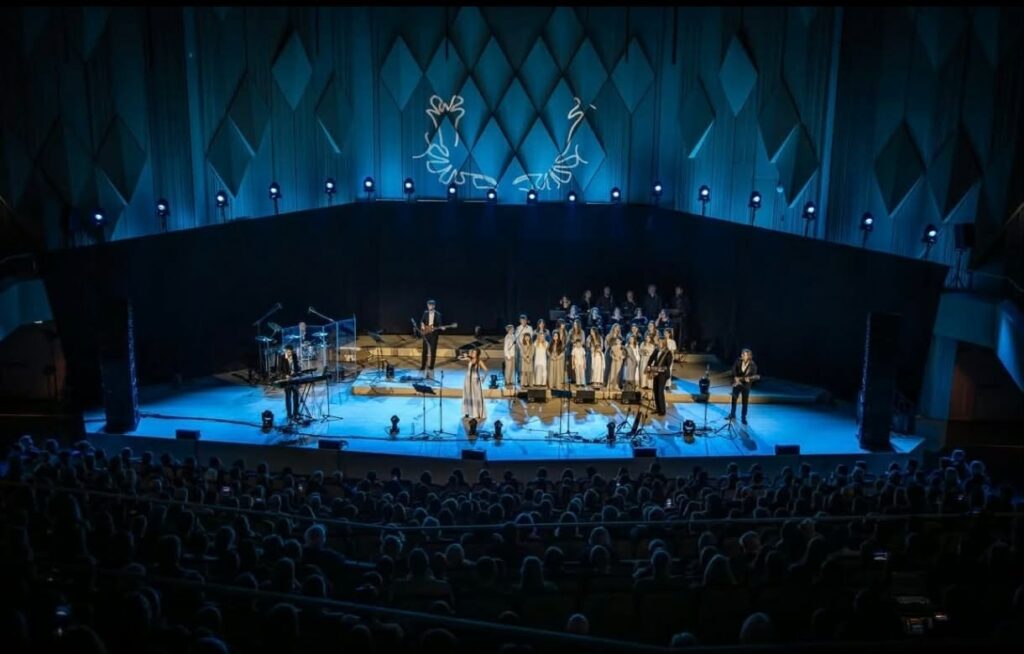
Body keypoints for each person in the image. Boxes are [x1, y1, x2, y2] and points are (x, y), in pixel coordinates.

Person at [729, 348, 759, 425]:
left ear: (748, 356)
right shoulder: (738, 361)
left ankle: (743, 417)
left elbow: (754, 376)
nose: (741, 355)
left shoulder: (752, 365)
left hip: (745, 386)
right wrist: (735, 377)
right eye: (742, 353)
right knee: (734, 399)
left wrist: (749, 380)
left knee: (744, 402)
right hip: (737, 384)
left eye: (744, 354)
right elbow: (733, 369)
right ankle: (732, 414)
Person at [645, 337, 673, 416]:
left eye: (660, 342)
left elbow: (667, 366)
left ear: (664, 343)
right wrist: (648, 365)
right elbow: (651, 358)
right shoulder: (657, 350)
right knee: (655, 390)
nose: (659, 343)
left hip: (663, 374)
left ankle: (662, 410)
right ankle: (657, 408)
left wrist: (654, 369)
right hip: (656, 373)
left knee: (660, 392)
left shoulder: (668, 353)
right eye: (659, 342)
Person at [419, 299, 446, 374]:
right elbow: (422, 321)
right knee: (424, 350)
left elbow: (440, 324)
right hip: (426, 333)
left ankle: (431, 366)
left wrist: (441, 327)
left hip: (434, 335)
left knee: (433, 350)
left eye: (430, 305)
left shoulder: (438, 314)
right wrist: (422, 325)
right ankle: (423, 365)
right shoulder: (425, 313)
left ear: (434, 306)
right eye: (428, 305)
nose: (429, 307)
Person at [462, 348, 488, 421]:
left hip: (475, 380)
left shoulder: (479, 361)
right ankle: (467, 411)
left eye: (474, 353)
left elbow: (486, 370)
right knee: (467, 395)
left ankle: (477, 413)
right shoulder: (469, 359)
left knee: (476, 396)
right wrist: (466, 355)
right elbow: (459, 358)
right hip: (467, 379)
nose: (472, 353)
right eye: (472, 352)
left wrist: (483, 378)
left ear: (477, 354)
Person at [280, 345, 300, 420]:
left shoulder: (294, 356)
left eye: (291, 352)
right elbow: (279, 370)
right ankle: (289, 414)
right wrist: (285, 375)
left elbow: (296, 366)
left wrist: (297, 372)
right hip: (287, 380)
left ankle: (296, 413)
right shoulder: (282, 357)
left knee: (296, 396)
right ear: (285, 351)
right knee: (288, 397)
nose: (289, 354)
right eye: (288, 352)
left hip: (294, 378)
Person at [513, 315, 534, 384]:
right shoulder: (518, 328)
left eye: (525, 320)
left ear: (527, 320)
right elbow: (516, 338)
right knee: (520, 363)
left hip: (528, 347)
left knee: (528, 361)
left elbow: (531, 337)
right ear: (520, 321)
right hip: (520, 347)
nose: (523, 322)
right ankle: (519, 377)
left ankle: (527, 377)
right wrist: (521, 347)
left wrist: (528, 346)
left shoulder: (530, 328)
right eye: (522, 320)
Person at [670, 286, 690, 350]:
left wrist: (684, 313)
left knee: (682, 333)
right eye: (676, 290)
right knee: (674, 332)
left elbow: (688, 308)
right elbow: (671, 308)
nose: (677, 291)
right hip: (674, 318)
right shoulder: (673, 298)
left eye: (678, 290)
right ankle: (673, 345)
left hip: (682, 318)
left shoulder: (685, 299)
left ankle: (681, 346)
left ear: (681, 291)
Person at [502, 324, 516, 390]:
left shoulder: (513, 336)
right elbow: (506, 348)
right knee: (508, 369)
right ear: (509, 330)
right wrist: (508, 356)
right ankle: (507, 381)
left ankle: (511, 381)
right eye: (512, 329)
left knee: (512, 369)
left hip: (513, 355)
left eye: (513, 329)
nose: (513, 330)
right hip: (509, 356)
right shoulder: (507, 337)